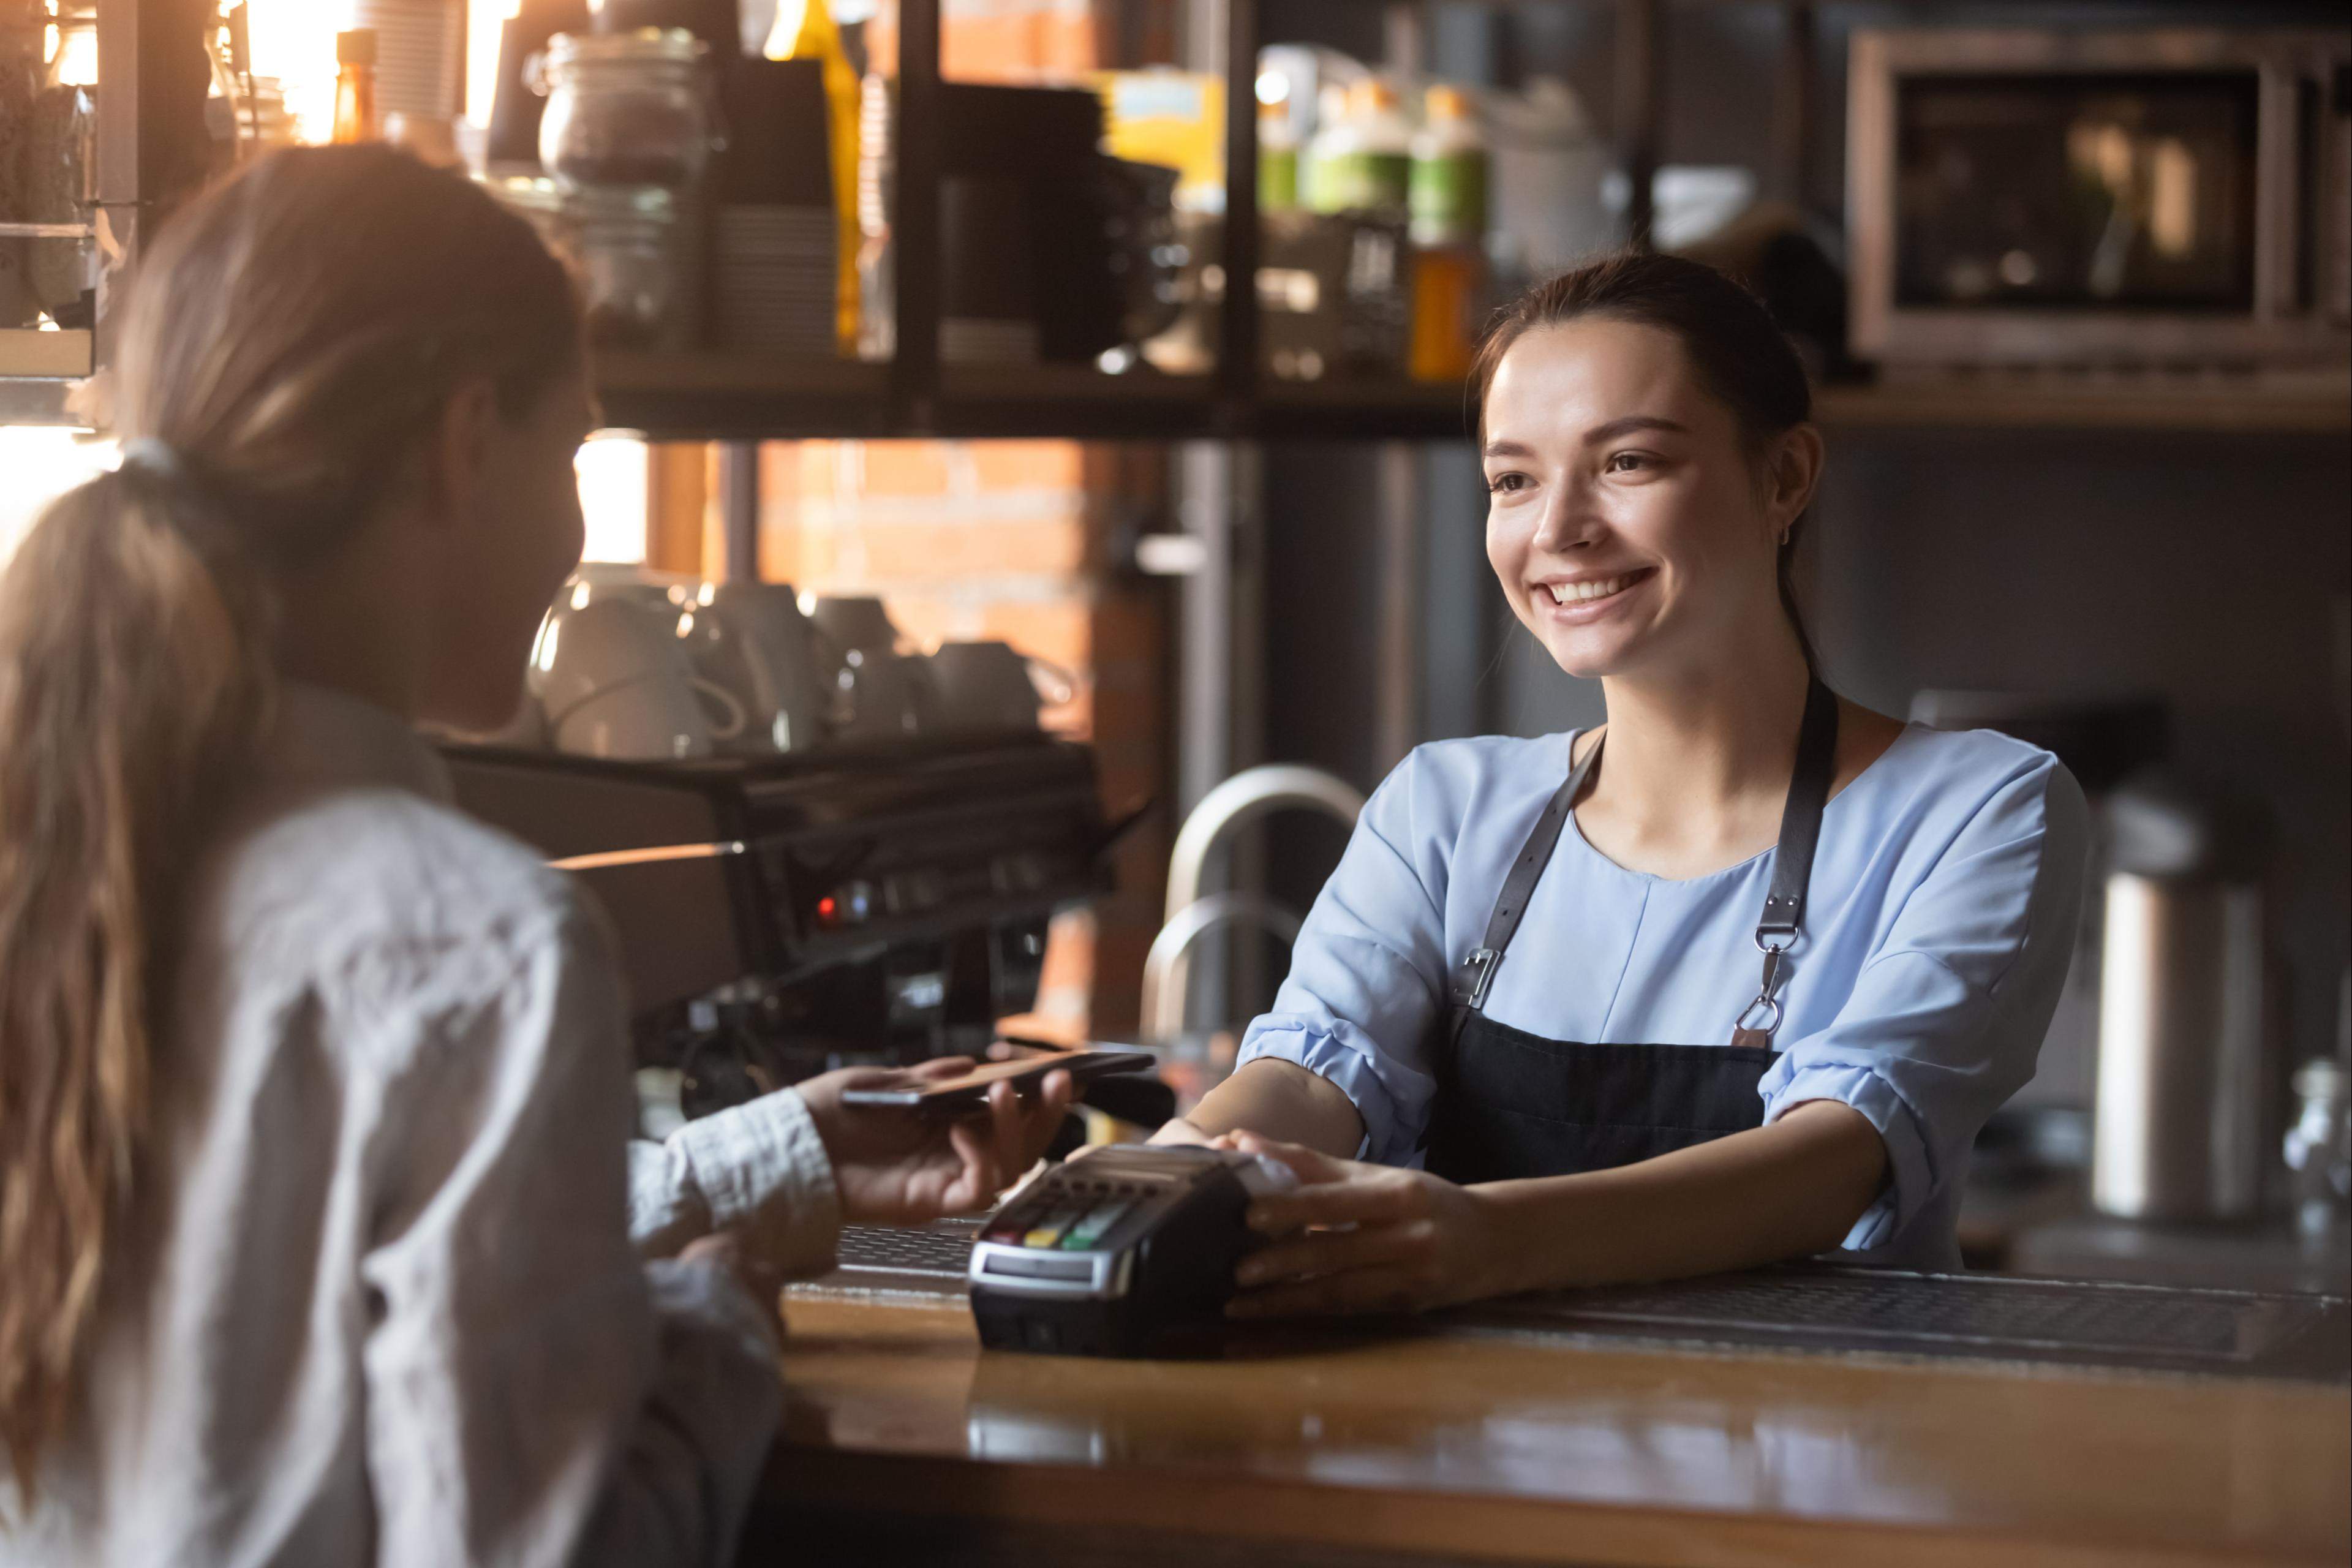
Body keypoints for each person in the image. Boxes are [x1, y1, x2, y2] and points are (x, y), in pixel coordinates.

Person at [0, 145, 1070, 1566]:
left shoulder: (55, 854)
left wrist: (775, 1157)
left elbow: (290, 1281)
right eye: (572, 448)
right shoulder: (480, 940)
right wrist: (715, 1346)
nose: (576, 528)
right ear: (462, 441)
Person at [1161, 252, 2087, 1315]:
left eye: (1629, 462)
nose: (1557, 531)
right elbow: (1315, 1076)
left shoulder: (1977, 809)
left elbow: (1838, 1158)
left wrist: (1486, 1238)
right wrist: (1165, 1178)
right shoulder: (1442, 811)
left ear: (1783, 478)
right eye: (1513, 480)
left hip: (1814, 1456)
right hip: (1468, 1450)